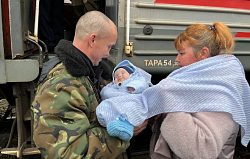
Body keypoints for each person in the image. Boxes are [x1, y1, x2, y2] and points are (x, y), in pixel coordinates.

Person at [96, 22, 250, 158]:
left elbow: (201, 151)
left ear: (203, 53)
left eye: (182, 53)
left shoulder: (221, 92)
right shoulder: (194, 81)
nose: (176, 59)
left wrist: (169, 104)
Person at [31, 11, 146, 159]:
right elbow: (67, 153)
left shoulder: (91, 73)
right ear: (92, 40)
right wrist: (125, 132)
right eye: (109, 46)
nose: (107, 53)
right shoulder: (62, 86)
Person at [96, 60, 152, 141]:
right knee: (105, 106)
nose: (119, 76)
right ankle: (110, 122)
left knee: (131, 107)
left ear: (132, 74)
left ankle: (125, 127)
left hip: (131, 100)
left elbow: (143, 85)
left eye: (123, 73)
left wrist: (134, 87)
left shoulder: (136, 80)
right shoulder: (112, 86)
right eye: (116, 76)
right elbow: (105, 92)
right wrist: (106, 93)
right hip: (116, 102)